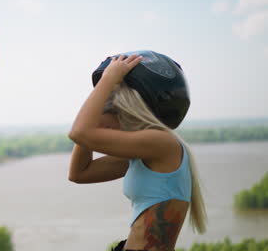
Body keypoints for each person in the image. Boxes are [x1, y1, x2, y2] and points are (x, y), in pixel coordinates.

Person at [68, 54, 207, 251]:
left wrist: (107, 81)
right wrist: (100, 108)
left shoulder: (161, 143)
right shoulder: (144, 154)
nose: (103, 133)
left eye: (105, 125)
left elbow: (80, 132)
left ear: (127, 111)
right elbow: (79, 173)